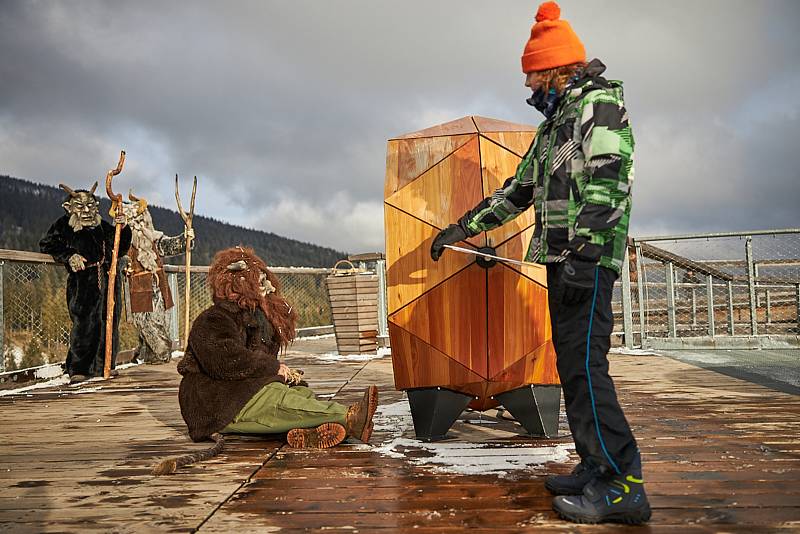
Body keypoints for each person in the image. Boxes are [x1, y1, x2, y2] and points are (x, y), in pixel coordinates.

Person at [430, 2, 649, 524]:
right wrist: (463, 227)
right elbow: (520, 190)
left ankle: (625, 486)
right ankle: (597, 466)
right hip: (561, 258)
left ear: (553, 68)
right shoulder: (554, 128)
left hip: (586, 261)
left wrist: (587, 251)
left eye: (531, 75)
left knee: (588, 371)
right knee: (573, 372)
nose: (528, 86)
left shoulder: (599, 105)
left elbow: (610, 178)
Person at [176, 246, 378, 449]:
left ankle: (312, 429)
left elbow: (255, 362)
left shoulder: (255, 317)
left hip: (240, 393)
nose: (265, 288)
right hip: (217, 405)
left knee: (300, 393)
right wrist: (272, 368)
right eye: (258, 282)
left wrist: (278, 368)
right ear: (235, 285)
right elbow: (227, 361)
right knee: (276, 399)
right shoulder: (213, 319)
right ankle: (349, 418)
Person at [40, 182, 131, 383]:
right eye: (81, 207)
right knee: (84, 324)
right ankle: (79, 369)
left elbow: (122, 247)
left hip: (109, 280)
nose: (87, 211)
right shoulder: (64, 226)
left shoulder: (103, 227)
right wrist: (69, 255)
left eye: (91, 206)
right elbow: (47, 244)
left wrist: (123, 228)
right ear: (69, 208)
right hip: (83, 283)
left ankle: (105, 365)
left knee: (109, 323)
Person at [121, 194, 194, 364]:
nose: (139, 225)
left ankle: (152, 355)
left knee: (160, 320)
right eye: (135, 221)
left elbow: (170, 246)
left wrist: (186, 239)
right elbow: (117, 255)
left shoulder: (153, 239)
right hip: (138, 286)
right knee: (146, 322)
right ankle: (161, 353)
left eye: (141, 220)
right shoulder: (124, 241)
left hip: (158, 285)